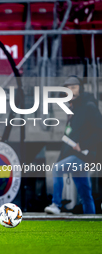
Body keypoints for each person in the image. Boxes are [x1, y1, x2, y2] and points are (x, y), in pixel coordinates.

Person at [44, 76, 102, 214]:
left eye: (74, 87)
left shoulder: (89, 107)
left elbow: (99, 131)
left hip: (83, 155)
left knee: (57, 169)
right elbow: (69, 138)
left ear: (80, 89)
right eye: (68, 88)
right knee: (85, 194)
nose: (70, 91)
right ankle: (91, 221)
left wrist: (83, 145)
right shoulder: (73, 110)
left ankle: (56, 205)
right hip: (74, 154)